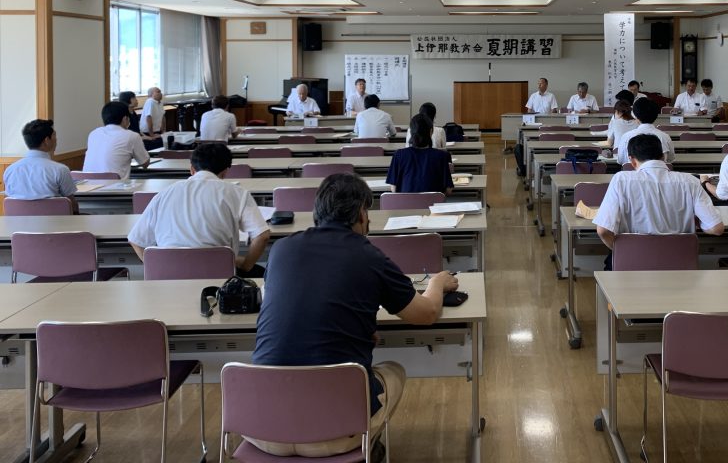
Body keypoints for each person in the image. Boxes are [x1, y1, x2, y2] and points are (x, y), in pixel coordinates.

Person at [250, 173, 458, 458]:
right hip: (334, 432)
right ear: (361, 213)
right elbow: (426, 313)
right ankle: (368, 446)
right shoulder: (370, 257)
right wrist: (437, 283)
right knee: (394, 370)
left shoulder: (281, 250)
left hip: (261, 427)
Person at [127, 142, 270, 276]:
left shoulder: (164, 193)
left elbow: (136, 240)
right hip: (218, 277)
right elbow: (262, 236)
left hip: (169, 278)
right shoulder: (236, 193)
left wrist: (156, 267)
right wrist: (246, 265)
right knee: (259, 273)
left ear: (192, 169)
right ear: (225, 172)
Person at [594, 134, 724, 268]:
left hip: (634, 265)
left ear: (632, 160)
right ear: (663, 157)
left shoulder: (621, 180)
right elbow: (716, 228)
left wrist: (624, 250)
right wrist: (699, 223)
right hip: (679, 265)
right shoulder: (691, 181)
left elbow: (603, 231)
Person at [3, 119, 78, 210]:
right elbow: (72, 205)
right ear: (47, 140)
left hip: (18, 219)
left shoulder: (10, 170)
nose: (56, 140)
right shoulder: (60, 170)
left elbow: (9, 201)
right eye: (54, 136)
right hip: (55, 219)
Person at [386, 114, 454, 195]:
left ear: (411, 132)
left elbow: (393, 189)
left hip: (406, 203)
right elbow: (448, 190)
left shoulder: (398, 155)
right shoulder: (442, 156)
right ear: (431, 132)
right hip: (433, 202)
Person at [82, 101, 150, 178]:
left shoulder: (94, 133)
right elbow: (145, 163)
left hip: (85, 183)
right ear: (125, 119)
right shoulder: (132, 136)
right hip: (114, 184)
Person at [616, 97, 675, 166]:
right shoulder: (665, 136)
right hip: (659, 172)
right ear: (656, 116)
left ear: (635, 116)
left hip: (633, 172)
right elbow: (670, 160)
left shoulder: (626, 136)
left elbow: (621, 161)